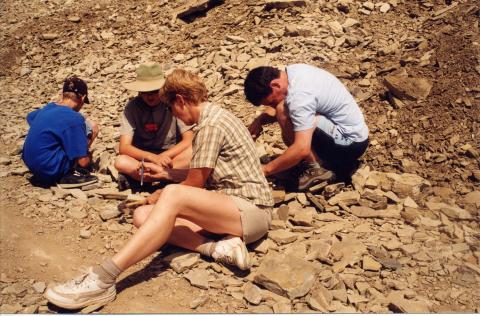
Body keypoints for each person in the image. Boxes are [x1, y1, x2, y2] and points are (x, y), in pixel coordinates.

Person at [44, 69, 274, 310]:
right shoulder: (212, 118)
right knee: (143, 216)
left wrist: (160, 194)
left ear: (181, 101)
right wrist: (164, 178)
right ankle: (218, 248)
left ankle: (104, 277)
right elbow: (202, 175)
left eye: (172, 107)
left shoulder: (210, 126)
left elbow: (194, 184)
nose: (173, 113)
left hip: (251, 211)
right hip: (229, 208)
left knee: (172, 194)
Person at [244, 63, 369, 189]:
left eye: (271, 102)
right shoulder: (292, 72)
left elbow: (302, 148)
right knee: (284, 109)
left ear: (276, 85)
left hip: (350, 143)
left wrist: (265, 170)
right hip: (353, 133)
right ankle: (319, 161)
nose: (272, 107)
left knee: (282, 110)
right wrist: (260, 120)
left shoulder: (299, 96)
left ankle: (317, 168)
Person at [114, 62, 194, 188]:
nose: (150, 96)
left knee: (194, 151)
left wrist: (162, 157)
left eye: (154, 91)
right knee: (120, 161)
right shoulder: (132, 107)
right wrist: (153, 158)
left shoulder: (172, 103)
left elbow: (188, 140)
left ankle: (147, 177)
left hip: (171, 158)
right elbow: (124, 147)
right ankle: (166, 176)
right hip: (144, 159)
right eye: (145, 92)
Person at [22, 76, 98, 188]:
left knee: (69, 129)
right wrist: (92, 136)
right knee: (89, 128)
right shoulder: (74, 118)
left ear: (62, 95)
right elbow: (83, 162)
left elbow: (30, 117)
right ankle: (64, 176)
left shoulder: (48, 108)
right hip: (50, 170)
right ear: (82, 98)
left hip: (32, 165)